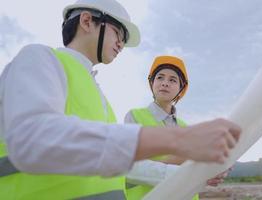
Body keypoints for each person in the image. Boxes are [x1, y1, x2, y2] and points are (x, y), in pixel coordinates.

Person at [0, 0, 241, 199]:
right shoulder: (39, 58)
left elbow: (125, 164)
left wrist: (195, 175)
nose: (121, 44)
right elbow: (34, 139)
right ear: (87, 21)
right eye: (119, 33)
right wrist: (178, 139)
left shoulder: (98, 96)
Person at [124, 55, 230, 200]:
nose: (165, 83)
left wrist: (211, 169)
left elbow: (194, 167)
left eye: (172, 80)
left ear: (181, 89)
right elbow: (128, 166)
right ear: (152, 83)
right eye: (160, 77)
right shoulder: (135, 116)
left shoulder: (185, 128)